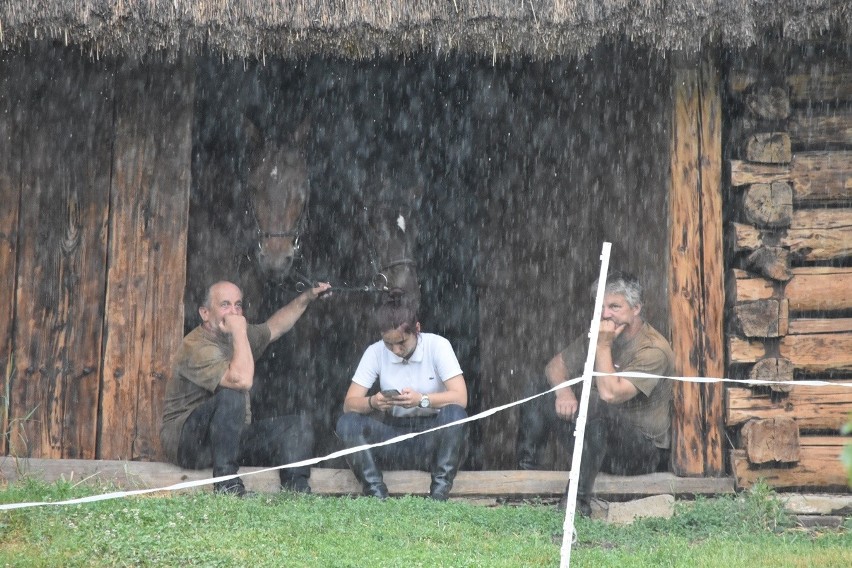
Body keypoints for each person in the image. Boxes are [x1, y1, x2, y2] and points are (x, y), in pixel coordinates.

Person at [515, 271, 674, 515]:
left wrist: (603, 345)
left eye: (614, 306)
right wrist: (564, 393)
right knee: (537, 389)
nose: (605, 314)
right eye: (601, 306)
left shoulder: (653, 349)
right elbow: (554, 367)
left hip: (641, 452)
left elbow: (611, 394)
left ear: (636, 308)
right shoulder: (600, 334)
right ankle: (525, 482)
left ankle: (577, 502)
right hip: (595, 438)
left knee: (598, 406)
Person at [160, 279, 331, 496]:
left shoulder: (236, 333)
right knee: (232, 396)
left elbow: (275, 327)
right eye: (225, 305)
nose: (234, 313)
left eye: (238, 305)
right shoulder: (195, 347)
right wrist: (240, 332)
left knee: (297, 426)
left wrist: (307, 297)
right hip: (189, 444)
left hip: (229, 440)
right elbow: (241, 381)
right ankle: (227, 485)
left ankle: (297, 491)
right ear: (204, 313)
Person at [335, 300, 468, 501]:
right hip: (393, 437)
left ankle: (439, 492)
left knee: (455, 414)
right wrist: (373, 402)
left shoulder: (438, 345)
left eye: (401, 343)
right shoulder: (375, 351)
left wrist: (421, 400)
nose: (396, 350)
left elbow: (461, 398)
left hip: (432, 437)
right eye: (389, 343)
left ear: (417, 329)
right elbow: (349, 404)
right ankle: (376, 493)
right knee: (348, 422)